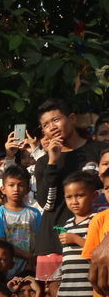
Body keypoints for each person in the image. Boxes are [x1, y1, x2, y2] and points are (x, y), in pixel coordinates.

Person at [33, 99, 109, 275]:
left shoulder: (101, 151)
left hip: (96, 237)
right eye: (45, 125)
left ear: (72, 118)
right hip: (54, 239)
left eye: (56, 120)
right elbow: (46, 203)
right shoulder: (44, 162)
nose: (51, 127)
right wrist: (52, 163)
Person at [0, 165, 40, 275]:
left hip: (30, 267)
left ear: (28, 189)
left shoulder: (35, 213)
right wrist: (28, 256)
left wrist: (33, 258)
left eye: (20, 185)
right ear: (3, 189)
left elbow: (41, 239)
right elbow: (1, 243)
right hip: (6, 268)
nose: (16, 189)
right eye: (11, 185)